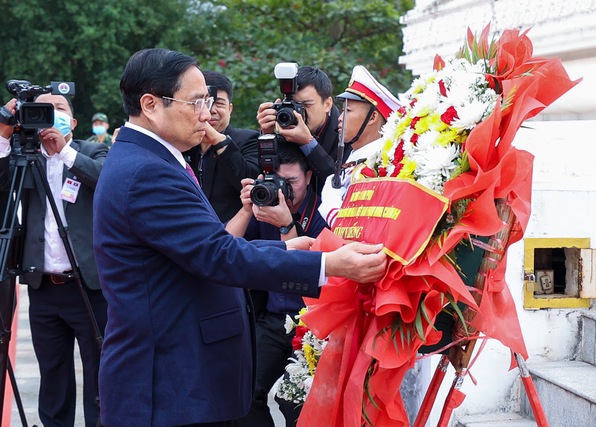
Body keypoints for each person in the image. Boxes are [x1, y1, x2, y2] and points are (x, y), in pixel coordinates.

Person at [92, 47, 387, 427]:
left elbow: (198, 248)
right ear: (150, 104)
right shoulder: (147, 171)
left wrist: (281, 247)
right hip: (168, 384)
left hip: (180, 377)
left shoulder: (152, 159)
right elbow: (216, 255)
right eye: (197, 101)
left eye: (210, 101)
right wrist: (328, 264)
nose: (207, 114)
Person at [0, 96, 108, 427]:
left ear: (73, 123)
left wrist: (64, 152)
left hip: (88, 285)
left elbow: (106, 179)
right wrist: (5, 133)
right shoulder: (26, 155)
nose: (52, 114)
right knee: (53, 377)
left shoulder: (92, 151)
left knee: (99, 374)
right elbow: (3, 187)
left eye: (60, 108)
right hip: (44, 286)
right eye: (45, 108)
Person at [225, 140, 327, 427]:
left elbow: (305, 270)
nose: (284, 191)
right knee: (241, 392)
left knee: (295, 401)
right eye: (279, 182)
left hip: (312, 323)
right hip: (272, 319)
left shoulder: (322, 210)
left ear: (308, 177)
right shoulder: (263, 205)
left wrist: (285, 225)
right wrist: (247, 208)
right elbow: (220, 251)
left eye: (292, 181)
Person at [318, 65, 401, 227]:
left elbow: (360, 227)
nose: (340, 118)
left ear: (372, 118)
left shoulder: (384, 167)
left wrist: (331, 202)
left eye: (348, 111)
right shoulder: (355, 162)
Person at [256, 66, 349, 194]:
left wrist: (308, 144)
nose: (298, 113)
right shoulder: (285, 126)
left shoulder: (347, 133)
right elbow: (264, 176)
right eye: (294, 105)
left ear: (327, 104)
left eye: (307, 105)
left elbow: (341, 185)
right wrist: (267, 136)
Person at [184, 71, 260, 222]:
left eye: (218, 103)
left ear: (230, 109)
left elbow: (251, 183)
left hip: (239, 238)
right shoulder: (184, 144)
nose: (211, 110)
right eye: (204, 103)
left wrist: (218, 140)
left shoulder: (248, 139)